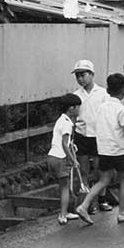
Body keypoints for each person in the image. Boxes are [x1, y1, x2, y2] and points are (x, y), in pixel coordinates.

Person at [76, 74, 124, 225]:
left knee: (103, 180)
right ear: (123, 91)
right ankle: (122, 213)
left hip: (103, 149)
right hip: (118, 150)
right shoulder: (121, 109)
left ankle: (84, 206)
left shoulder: (101, 107)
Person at [71, 60, 113, 213]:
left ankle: (102, 199)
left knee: (100, 169)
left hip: (98, 136)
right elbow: (73, 117)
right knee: (83, 170)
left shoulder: (103, 94)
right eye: (77, 76)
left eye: (83, 75)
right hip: (82, 135)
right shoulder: (76, 95)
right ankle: (88, 203)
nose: (80, 79)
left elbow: (108, 113)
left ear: (92, 74)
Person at [47, 94, 81, 225]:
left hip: (52, 156)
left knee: (62, 186)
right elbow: (64, 144)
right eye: (78, 107)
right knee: (65, 187)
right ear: (71, 108)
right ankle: (62, 214)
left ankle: (65, 211)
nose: (79, 110)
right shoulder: (67, 124)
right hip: (61, 158)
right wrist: (73, 160)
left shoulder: (60, 120)